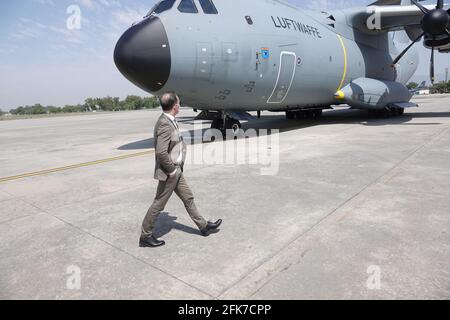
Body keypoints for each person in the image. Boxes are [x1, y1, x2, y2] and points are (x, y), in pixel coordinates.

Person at [140, 92, 222, 248]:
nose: (179, 104)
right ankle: (145, 236)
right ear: (175, 106)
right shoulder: (165, 123)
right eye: (178, 102)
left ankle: (204, 226)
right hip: (169, 172)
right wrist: (171, 170)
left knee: (188, 197)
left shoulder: (169, 120)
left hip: (176, 170)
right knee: (159, 204)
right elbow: (161, 151)